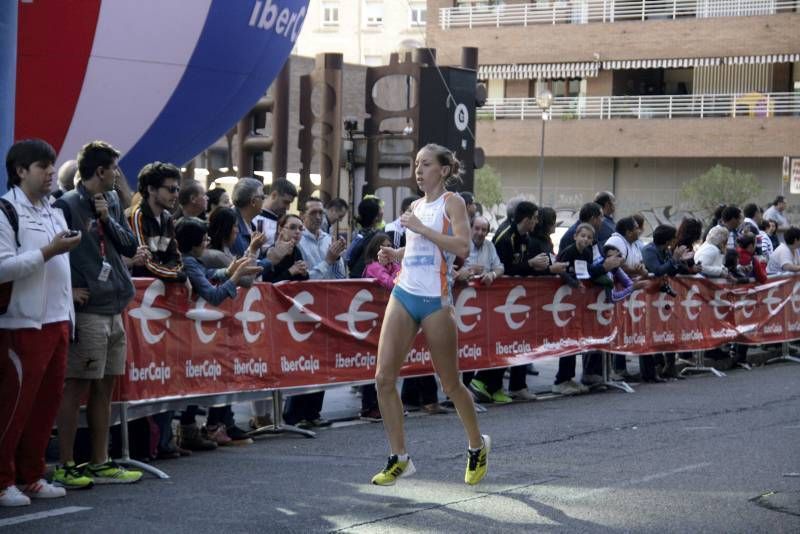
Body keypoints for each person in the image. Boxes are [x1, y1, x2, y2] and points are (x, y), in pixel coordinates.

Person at [370, 144, 490, 486]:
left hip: (435, 300)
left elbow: (462, 247)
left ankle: (476, 445)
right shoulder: (416, 206)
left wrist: (420, 228)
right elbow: (421, 247)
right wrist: (396, 252)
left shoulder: (451, 202)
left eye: (425, 164)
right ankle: (400, 458)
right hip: (405, 292)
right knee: (383, 378)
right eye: (416, 164)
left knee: (450, 384)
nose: (418, 170)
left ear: (444, 170)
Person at [52, 140, 143, 488]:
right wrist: (69, 290)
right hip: (88, 310)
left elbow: (129, 247)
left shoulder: (114, 201)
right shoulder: (66, 204)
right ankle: (66, 463)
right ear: (100, 171)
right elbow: (57, 252)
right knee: (77, 386)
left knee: (105, 387)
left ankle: (99, 461)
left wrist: (107, 217)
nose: (118, 175)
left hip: (114, 305)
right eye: (114, 169)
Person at [0, 140, 81, 506]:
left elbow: (61, 271)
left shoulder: (54, 210)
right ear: (20, 171)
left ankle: (31, 475)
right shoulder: (5, 210)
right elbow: (3, 268)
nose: (50, 172)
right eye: (41, 166)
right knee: (13, 406)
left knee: (44, 407)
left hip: (57, 323)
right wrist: (49, 251)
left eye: (52, 165)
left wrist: (69, 319)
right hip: (22, 325)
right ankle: (3, 481)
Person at [252, 178, 298, 254]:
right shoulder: (254, 218)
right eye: (286, 202)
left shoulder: (283, 220)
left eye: (290, 203)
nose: (288, 208)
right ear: (274, 195)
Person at [345, 197, 383, 278]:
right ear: (376, 217)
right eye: (380, 209)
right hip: (368, 280)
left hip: (354, 278)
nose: (383, 212)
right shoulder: (378, 237)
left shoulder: (356, 234)